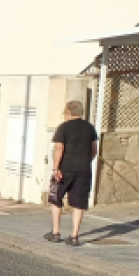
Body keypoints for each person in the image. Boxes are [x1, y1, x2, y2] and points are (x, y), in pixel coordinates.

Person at [47, 101, 99, 246]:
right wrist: (85, 161)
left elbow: (59, 148)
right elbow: (94, 149)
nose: (64, 114)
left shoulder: (63, 128)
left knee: (56, 198)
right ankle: (74, 235)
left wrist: (55, 168)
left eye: (64, 112)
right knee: (79, 203)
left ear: (69, 112)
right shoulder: (90, 128)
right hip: (83, 169)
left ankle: (56, 232)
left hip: (65, 169)